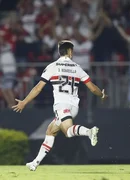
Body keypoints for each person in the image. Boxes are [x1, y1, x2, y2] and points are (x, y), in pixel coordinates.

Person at [12, 40, 107, 171]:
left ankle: (89, 132)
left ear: (59, 52)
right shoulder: (77, 67)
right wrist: (102, 95)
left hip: (62, 105)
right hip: (74, 105)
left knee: (68, 132)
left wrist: (24, 102)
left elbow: (38, 88)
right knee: (50, 131)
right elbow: (92, 88)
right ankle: (35, 163)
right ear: (70, 52)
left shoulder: (52, 67)